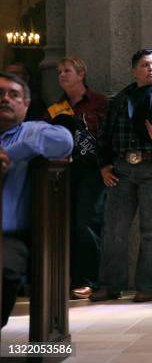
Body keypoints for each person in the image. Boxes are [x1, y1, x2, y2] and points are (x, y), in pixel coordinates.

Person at [91, 49, 152, 303]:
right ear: (134, 70)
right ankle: (110, 285)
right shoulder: (119, 100)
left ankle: (146, 286)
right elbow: (103, 137)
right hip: (122, 171)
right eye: (146, 65)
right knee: (115, 229)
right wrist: (104, 166)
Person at [0, 71, 73, 327]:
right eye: (0, 94)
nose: (5, 99)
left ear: (26, 104)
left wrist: (11, 154)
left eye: (13, 94)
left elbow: (64, 140)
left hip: (9, 238)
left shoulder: (31, 132)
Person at [45, 57, 108, 300]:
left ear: (81, 74)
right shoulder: (55, 107)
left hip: (93, 170)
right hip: (63, 172)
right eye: (59, 71)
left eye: (67, 70)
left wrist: (106, 165)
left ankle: (88, 280)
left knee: (87, 224)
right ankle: (66, 277)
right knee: (66, 224)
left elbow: (107, 135)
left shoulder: (99, 102)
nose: (61, 75)